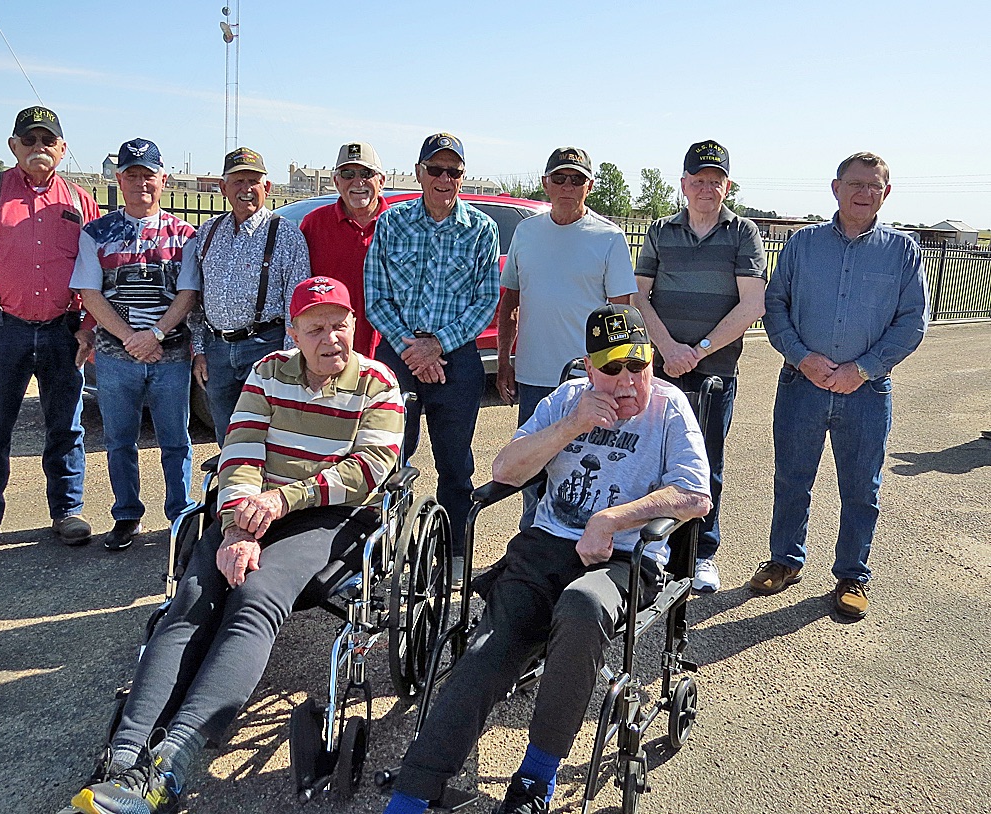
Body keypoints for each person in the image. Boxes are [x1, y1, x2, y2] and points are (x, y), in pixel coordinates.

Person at [62, 276, 404, 814]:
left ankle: (171, 761)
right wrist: (237, 527)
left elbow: (368, 470)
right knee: (191, 601)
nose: (330, 338)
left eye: (339, 325)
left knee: (254, 599)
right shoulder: (268, 373)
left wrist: (277, 505)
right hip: (249, 510)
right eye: (315, 328)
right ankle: (123, 760)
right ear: (293, 331)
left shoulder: (378, 383)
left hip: (326, 516)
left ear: (353, 326)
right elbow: (240, 450)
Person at [380, 304, 710, 814]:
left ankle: (537, 776)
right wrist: (571, 427)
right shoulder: (568, 400)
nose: (626, 382)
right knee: (490, 648)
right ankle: (413, 793)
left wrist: (612, 520)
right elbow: (505, 470)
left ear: (651, 362)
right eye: (612, 368)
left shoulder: (669, 409)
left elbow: (695, 495)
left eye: (637, 365)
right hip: (545, 548)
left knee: (581, 606)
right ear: (589, 365)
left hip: (623, 558)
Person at [752, 151, 928, 619]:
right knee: (792, 479)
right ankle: (784, 561)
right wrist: (802, 357)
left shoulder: (903, 252)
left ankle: (852, 575)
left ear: (886, 193)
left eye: (874, 186)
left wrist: (863, 368)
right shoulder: (801, 245)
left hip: (867, 393)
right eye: (855, 183)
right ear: (835, 187)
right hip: (801, 385)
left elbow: (912, 322)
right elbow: (775, 305)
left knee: (861, 488)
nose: (864, 193)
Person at [0, 105, 99, 561]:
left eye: (47, 140)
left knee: (66, 427)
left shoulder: (80, 201)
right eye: (28, 140)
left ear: (62, 149)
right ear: (13, 146)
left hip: (61, 330)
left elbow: (96, 276)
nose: (38, 148)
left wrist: (88, 328)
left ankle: (67, 511)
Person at [633, 139, 767, 593]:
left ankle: (701, 553)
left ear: (726, 186)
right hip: (662, 364)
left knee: (705, 464)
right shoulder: (659, 231)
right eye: (699, 179)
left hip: (715, 372)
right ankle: (655, 549)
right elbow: (638, 297)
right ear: (684, 184)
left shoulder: (743, 233)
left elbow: (752, 304)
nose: (706, 187)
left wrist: (700, 349)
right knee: (653, 456)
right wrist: (668, 347)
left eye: (716, 180)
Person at [364, 132, 500, 580]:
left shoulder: (481, 229)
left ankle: (455, 550)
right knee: (388, 455)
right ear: (420, 171)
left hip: (455, 357)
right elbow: (375, 295)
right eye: (435, 169)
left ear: (462, 176)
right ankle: (386, 548)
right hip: (398, 352)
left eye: (454, 171)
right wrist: (412, 347)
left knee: (455, 461)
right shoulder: (391, 222)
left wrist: (436, 345)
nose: (444, 179)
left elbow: (484, 302)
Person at [496, 146, 636, 529]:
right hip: (534, 375)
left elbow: (620, 314)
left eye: (576, 179)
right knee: (533, 467)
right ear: (546, 183)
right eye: (559, 178)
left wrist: (616, 376)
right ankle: (531, 540)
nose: (567, 186)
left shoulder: (609, 237)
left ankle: (580, 543)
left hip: (586, 379)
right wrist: (504, 362)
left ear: (589, 186)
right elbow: (510, 300)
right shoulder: (526, 232)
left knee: (586, 468)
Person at [70, 138, 199, 550]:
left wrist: (156, 335)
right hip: (114, 358)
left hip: (171, 355)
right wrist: (130, 339)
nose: (141, 183)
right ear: (119, 179)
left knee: (175, 440)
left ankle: (179, 516)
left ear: (163, 178)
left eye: (149, 175)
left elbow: (188, 294)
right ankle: (126, 514)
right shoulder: (96, 233)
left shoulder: (185, 234)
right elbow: (90, 293)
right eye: (131, 175)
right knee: (119, 440)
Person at [188, 146, 310, 445]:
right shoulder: (207, 232)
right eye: (238, 181)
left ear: (266, 187)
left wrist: (288, 360)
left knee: (268, 436)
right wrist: (199, 349)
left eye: (253, 182)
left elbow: (296, 305)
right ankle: (232, 490)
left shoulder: (286, 235)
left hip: (264, 347)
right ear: (223, 187)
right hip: (217, 351)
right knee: (226, 437)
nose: (246, 189)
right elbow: (196, 299)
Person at [300, 140, 388, 357]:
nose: (358, 182)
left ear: (381, 181)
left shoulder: (400, 225)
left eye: (366, 173)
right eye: (348, 174)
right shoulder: (314, 224)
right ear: (336, 181)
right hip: (330, 346)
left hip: (389, 345)